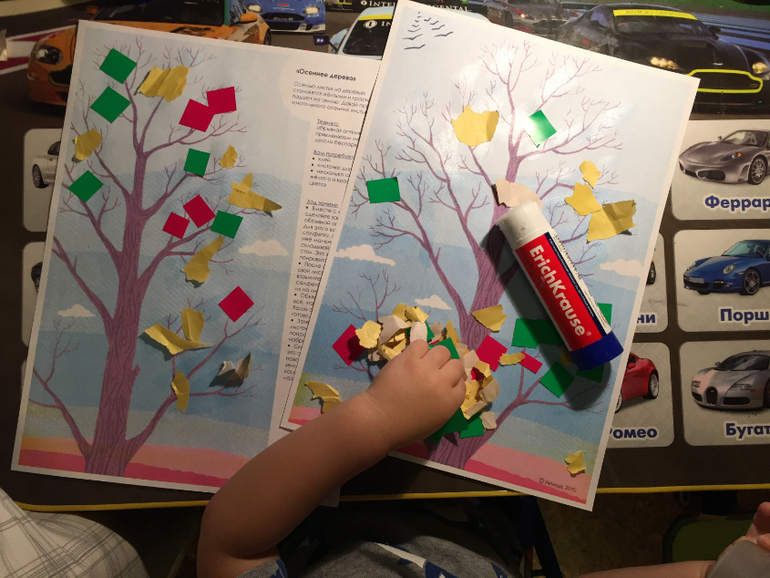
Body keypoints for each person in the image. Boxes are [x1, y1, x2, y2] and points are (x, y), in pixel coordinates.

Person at [198, 335, 770, 578]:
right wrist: (724, 570)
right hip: (488, 524)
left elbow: (228, 542)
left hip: (302, 504)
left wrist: (375, 418)